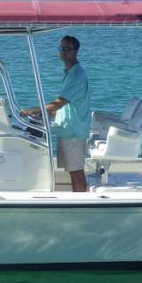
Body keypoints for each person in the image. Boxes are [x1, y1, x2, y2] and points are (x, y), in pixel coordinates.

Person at [21, 35, 90, 192]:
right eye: (61, 48)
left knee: (76, 171)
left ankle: (80, 206)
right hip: (68, 128)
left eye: (67, 49)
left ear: (76, 51)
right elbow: (67, 103)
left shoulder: (76, 75)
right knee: (72, 170)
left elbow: (59, 103)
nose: (63, 52)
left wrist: (31, 111)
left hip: (74, 130)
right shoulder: (70, 72)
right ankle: (76, 200)